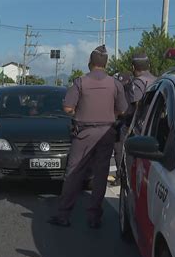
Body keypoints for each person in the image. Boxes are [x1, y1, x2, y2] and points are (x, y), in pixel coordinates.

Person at [48, 45, 128, 229]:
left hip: (83, 134)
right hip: (106, 134)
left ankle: (64, 215)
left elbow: (68, 108)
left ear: (90, 63)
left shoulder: (80, 82)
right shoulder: (115, 84)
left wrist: (81, 111)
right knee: (100, 175)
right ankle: (94, 217)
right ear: (106, 64)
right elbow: (123, 110)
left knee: (74, 173)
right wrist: (110, 113)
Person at [111, 53, 156, 186]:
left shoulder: (137, 83)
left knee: (121, 142)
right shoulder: (158, 80)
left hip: (139, 129)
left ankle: (123, 176)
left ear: (132, 67)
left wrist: (120, 116)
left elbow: (134, 107)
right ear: (149, 65)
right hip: (155, 127)